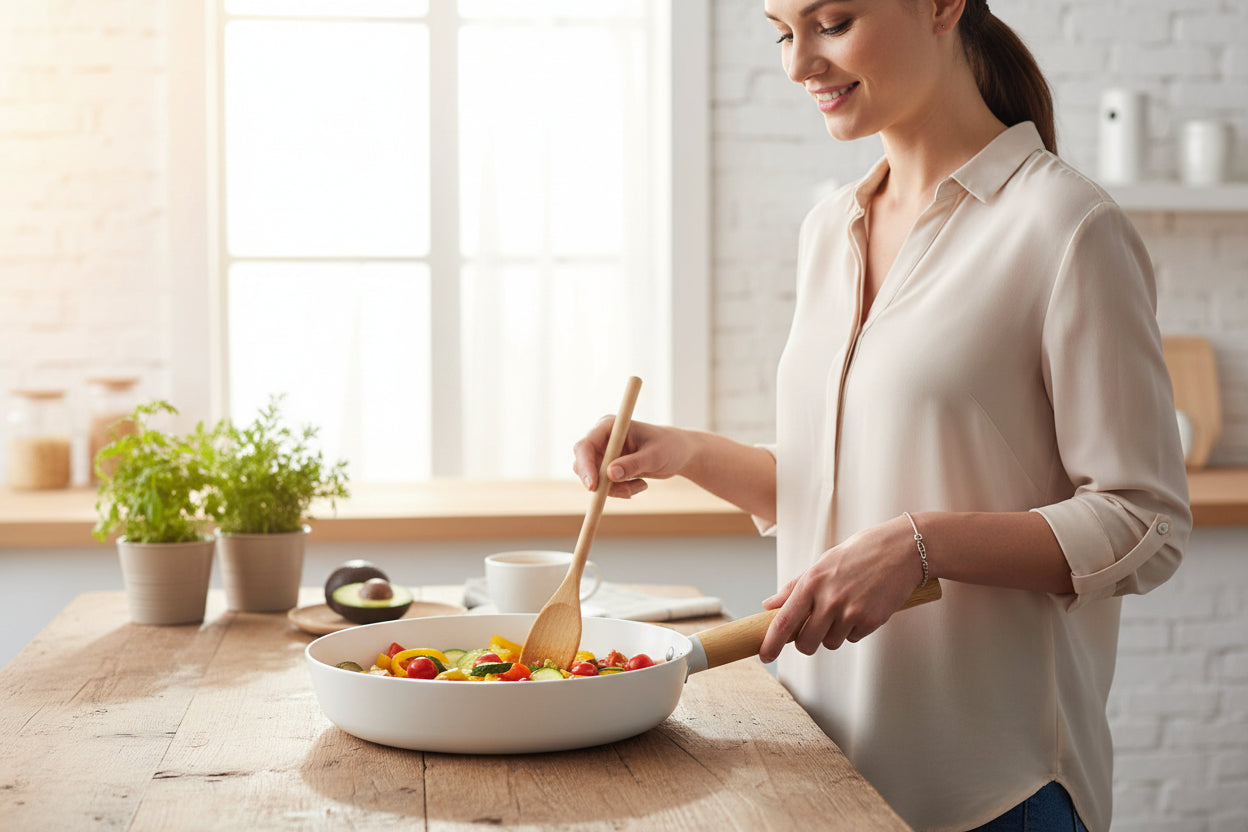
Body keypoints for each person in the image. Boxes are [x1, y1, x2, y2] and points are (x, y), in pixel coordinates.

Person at [571, 1, 1190, 831]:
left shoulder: (1068, 227)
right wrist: (684, 451)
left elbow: (1143, 524)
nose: (798, 66)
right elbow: (845, 487)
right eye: (783, 32)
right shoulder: (831, 228)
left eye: (832, 21)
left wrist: (919, 544)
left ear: (941, 7)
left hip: (992, 792)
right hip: (819, 762)